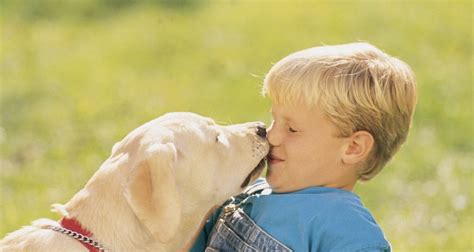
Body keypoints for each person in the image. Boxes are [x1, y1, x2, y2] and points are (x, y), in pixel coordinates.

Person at [189, 42, 417, 252]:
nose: (272, 136)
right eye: (274, 121)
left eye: (292, 130)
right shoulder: (244, 190)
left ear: (353, 148)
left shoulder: (346, 229)